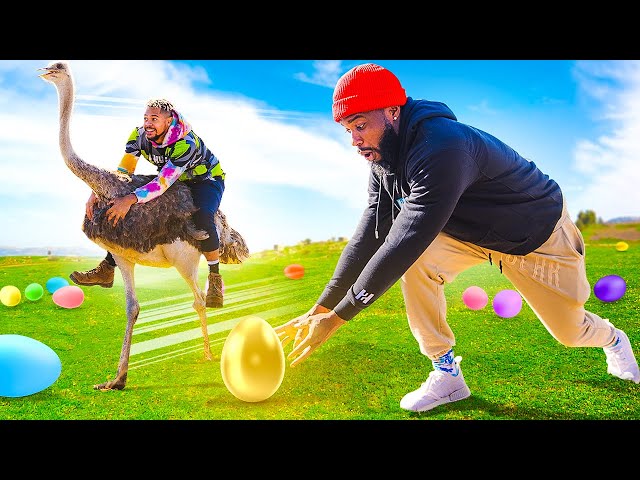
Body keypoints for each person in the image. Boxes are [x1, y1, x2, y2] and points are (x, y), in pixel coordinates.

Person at [274, 63, 639, 413]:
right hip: (468, 235)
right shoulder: (382, 157)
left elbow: (407, 238)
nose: (354, 140)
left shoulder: (443, 146)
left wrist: (339, 318)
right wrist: (321, 308)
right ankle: (447, 373)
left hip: (534, 236)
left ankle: (613, 339)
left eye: (360, 125)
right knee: (416, 264)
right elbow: (372, 230)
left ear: (392, 111)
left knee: (571, 333)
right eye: (348, 130)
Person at [69, 98, 226, 308]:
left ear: (169, 121)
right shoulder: (139, 136)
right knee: (130, 207)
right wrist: (97, 193)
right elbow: (124, 172)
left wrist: (130, 198)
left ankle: (215, 277)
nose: (148, 123)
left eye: (154, 119)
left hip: (205, 181)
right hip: (174, 179)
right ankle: (107, 268)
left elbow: (162, 183)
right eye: (145, 118)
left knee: (203, 216)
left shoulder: (185, 143)